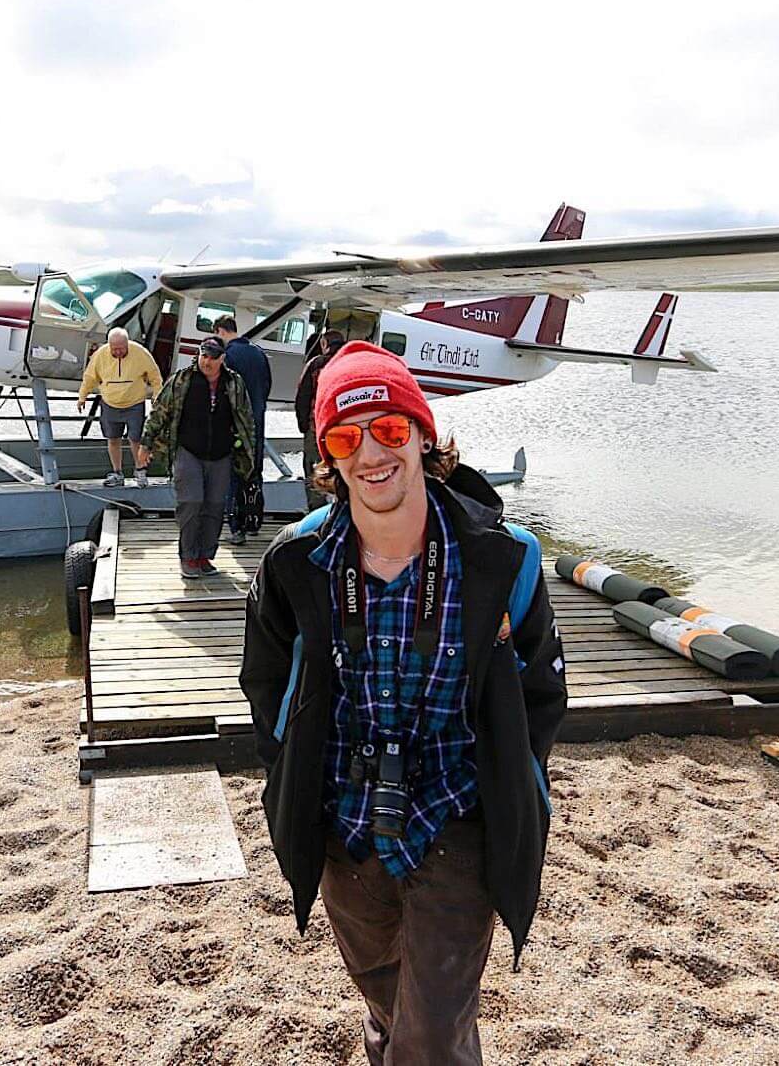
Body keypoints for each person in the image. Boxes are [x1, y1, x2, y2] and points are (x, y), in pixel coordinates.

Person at [238, 343, 567, 1065]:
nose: (371, 454)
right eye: (346, 438)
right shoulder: (297, 564)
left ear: (423, 434)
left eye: (389, 429)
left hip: (456, 819)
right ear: (326, 456)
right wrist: (289, 778)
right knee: (390, 1003)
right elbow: (264, 685)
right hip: (343, 828)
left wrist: (515, 780)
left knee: (433, 1037)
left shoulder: (502, 559)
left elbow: (543, 689)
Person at [143, 336, 255, 578]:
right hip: (188, 451)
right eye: (204, 356)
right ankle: (188, 556)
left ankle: (205, 556)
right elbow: (160, 411)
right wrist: (146, 443)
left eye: (213, 357)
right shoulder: (182, 379)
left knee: (215, 506)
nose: (207, 361)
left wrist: (248, 453)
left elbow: (246, 420)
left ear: (222, 359)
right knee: (191, 503)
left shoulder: (234, 383)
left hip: (221, 454)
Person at [212, 315, 272, 545]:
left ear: (219, 331)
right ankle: (254, 520)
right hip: (258, 422)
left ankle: (236, 528)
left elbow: (223, 390)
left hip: (236, 424)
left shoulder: (228, 356)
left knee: (234, 474)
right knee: (255, 472)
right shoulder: (259, 353)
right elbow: (267, 387)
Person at [77, 327, 161, 487]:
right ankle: (117, 473)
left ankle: (140, 471)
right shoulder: (101, 355)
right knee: (113, 439)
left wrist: (157, 397)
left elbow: (155, 376)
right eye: (114, 349)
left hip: (134, 403)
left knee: (136, 439)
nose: (118, 352)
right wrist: (82, 396)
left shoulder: (140, 353)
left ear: (127, 344)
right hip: (110, 403)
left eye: (121, 348)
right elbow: (89, 377)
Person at [292, 329, 345, 510]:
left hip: (316, 429)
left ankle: (316, 512)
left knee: (313, 469)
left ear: (324, 344)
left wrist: (303, 425)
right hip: (343, 432)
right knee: (342, 469)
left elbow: (302, 397)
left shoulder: (315, 364)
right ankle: (341, 508)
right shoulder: (347, 364)